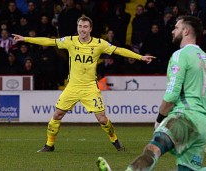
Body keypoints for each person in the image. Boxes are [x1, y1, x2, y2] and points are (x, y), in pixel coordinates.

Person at [96, 15, 206, 171]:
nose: (173, 31)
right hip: (202, 125)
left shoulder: (180, 55)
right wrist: (202, 125)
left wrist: (159, 119)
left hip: (184, 117)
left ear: (186, 31)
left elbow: (172, 95)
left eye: (176, 27)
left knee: (153, 149)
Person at [12, 15, 155, 152]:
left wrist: (140, 57)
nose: (82, 29)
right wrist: (25, 38)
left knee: (102, 119)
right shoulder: (70, 41)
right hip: (72, 87)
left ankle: (115, 140)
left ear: (90, 29)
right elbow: (49, 41)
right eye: (80, 26)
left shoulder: (99, 44)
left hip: (90, 88)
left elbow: (119, 51)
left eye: (85, 27)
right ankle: (49, 145)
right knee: (57, 115)